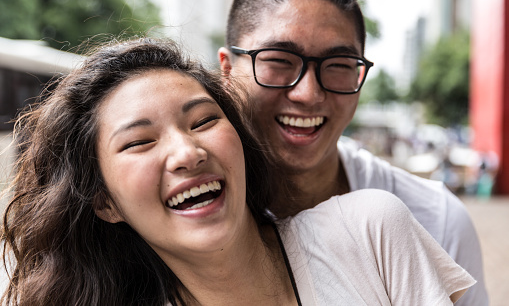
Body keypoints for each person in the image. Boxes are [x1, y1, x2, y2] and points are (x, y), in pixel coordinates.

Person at [1, 38, 474, 305]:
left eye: (204, 121)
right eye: (140, 142)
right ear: (105, 202)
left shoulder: (371, 232)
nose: (187, 152)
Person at [217, 0, 488, 305]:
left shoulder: (435, 219)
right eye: (279, 60)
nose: (308, 93)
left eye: (338, 64)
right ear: (227, 71)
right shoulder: (193, 220)